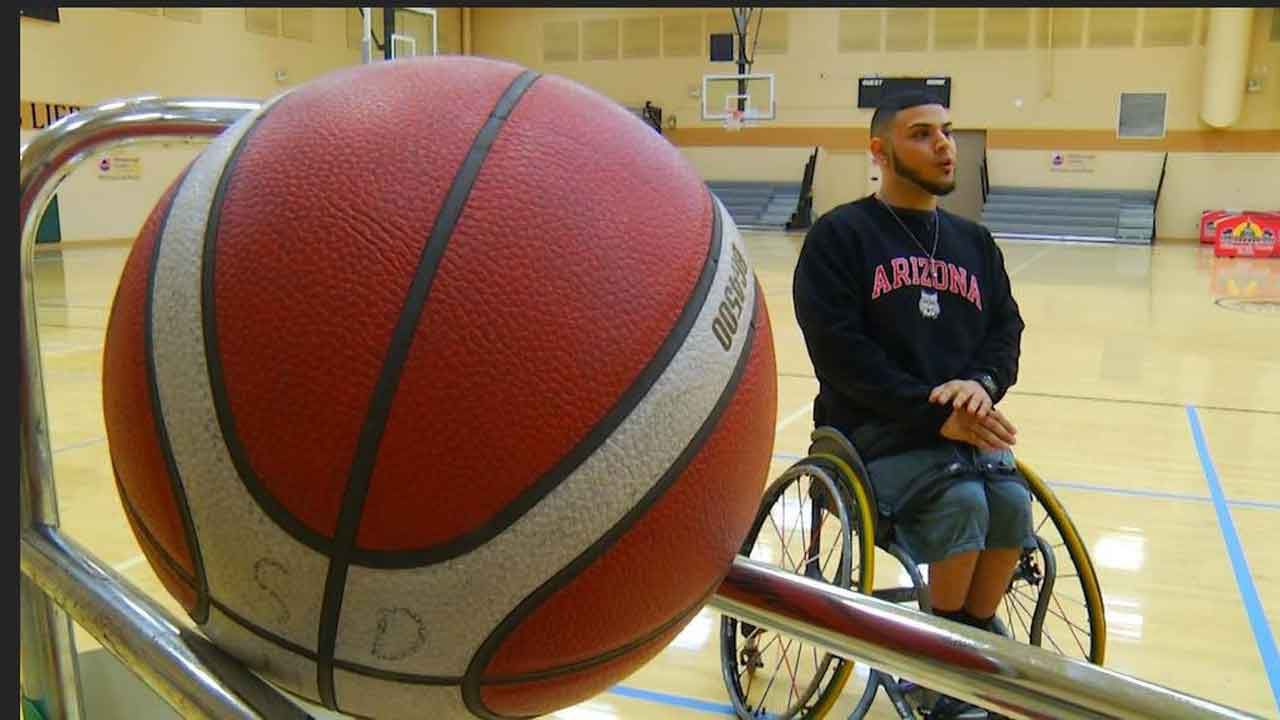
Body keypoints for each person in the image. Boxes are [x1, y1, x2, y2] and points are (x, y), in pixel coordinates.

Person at [792, 91, 1029, 718]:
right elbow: (841, 354)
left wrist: (981, 383)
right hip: (872, 432)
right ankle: (936, 659)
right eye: (922, 134)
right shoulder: (839, 237)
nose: (944, 145)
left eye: (946, 132)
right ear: (881, 150)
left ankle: (970, 634)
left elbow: (1005, 329)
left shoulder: (975, 243)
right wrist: (932, 411)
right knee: (963, 502)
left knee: (1011, 501)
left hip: (958, 430)